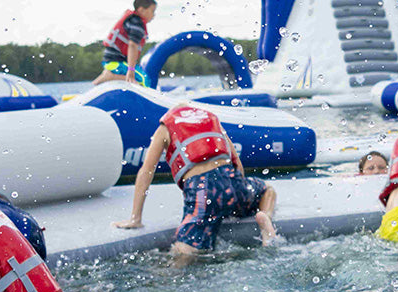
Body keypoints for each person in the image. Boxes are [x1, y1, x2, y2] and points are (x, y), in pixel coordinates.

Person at [113, 103, 277, 257]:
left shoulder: (165, 128)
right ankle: (265, 218)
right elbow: (236, 163)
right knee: (267, 190)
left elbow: (147, 171)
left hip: (203, 190)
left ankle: (173, 273)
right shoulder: (210, 120)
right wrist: (234, 200)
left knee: (183, 252)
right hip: (232, 181)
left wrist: (135, 218)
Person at [92, 0, 157, 87]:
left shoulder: (132, 20)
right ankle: (110, 76)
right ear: (141, 10)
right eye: (152, 11)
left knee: (139, 78)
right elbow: (132, 45)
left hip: (111, 60)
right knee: (144, 80)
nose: (154, 15)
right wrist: (131, 70)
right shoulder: (137, 23)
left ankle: (99, 81)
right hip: (116, 62)